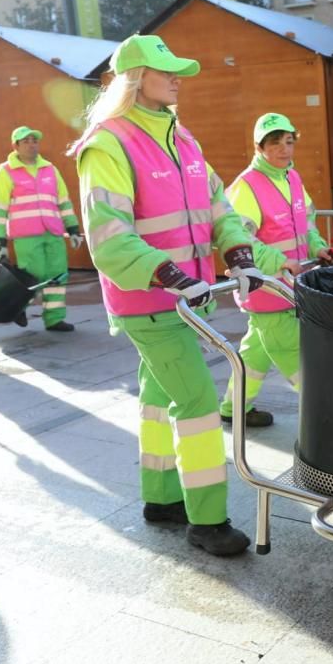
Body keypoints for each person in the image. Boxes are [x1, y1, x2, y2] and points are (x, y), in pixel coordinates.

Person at [70, 34, 269, 558]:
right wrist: (169, 274)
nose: (179, 78)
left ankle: (160, 499)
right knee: (199, 401)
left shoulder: (183, 139)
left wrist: (238, 252)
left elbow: (218, 205)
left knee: (159, 395)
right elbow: (108, 234)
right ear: (135, 78)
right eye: (168, 71)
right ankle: (208, 520)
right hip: (150, 302)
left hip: (185, 298)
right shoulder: (107, 143)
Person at [219, 113, 333, 427]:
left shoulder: (291, 178)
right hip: (269, 290)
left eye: (288, 141)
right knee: (298, 359)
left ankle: (233, 409)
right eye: (275, 143)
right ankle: (331, 418)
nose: (284, 149)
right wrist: (276, 261)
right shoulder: (247, 186)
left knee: (254, 354)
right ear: (259, 147)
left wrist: (318, 248)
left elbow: (306, 225)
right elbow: (239, 238)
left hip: (289, 286)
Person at [0, 126, 83, 331]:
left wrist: (73, 229)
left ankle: (55, 319)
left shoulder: (50, 169)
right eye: (26, 141)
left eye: (34, 140)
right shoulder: (6, 171)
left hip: (53, 232)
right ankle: (18, 307)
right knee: (33, 275)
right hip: (26, 235)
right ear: (15, 146)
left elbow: (64, 202)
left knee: (57, 275)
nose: (31, 144)